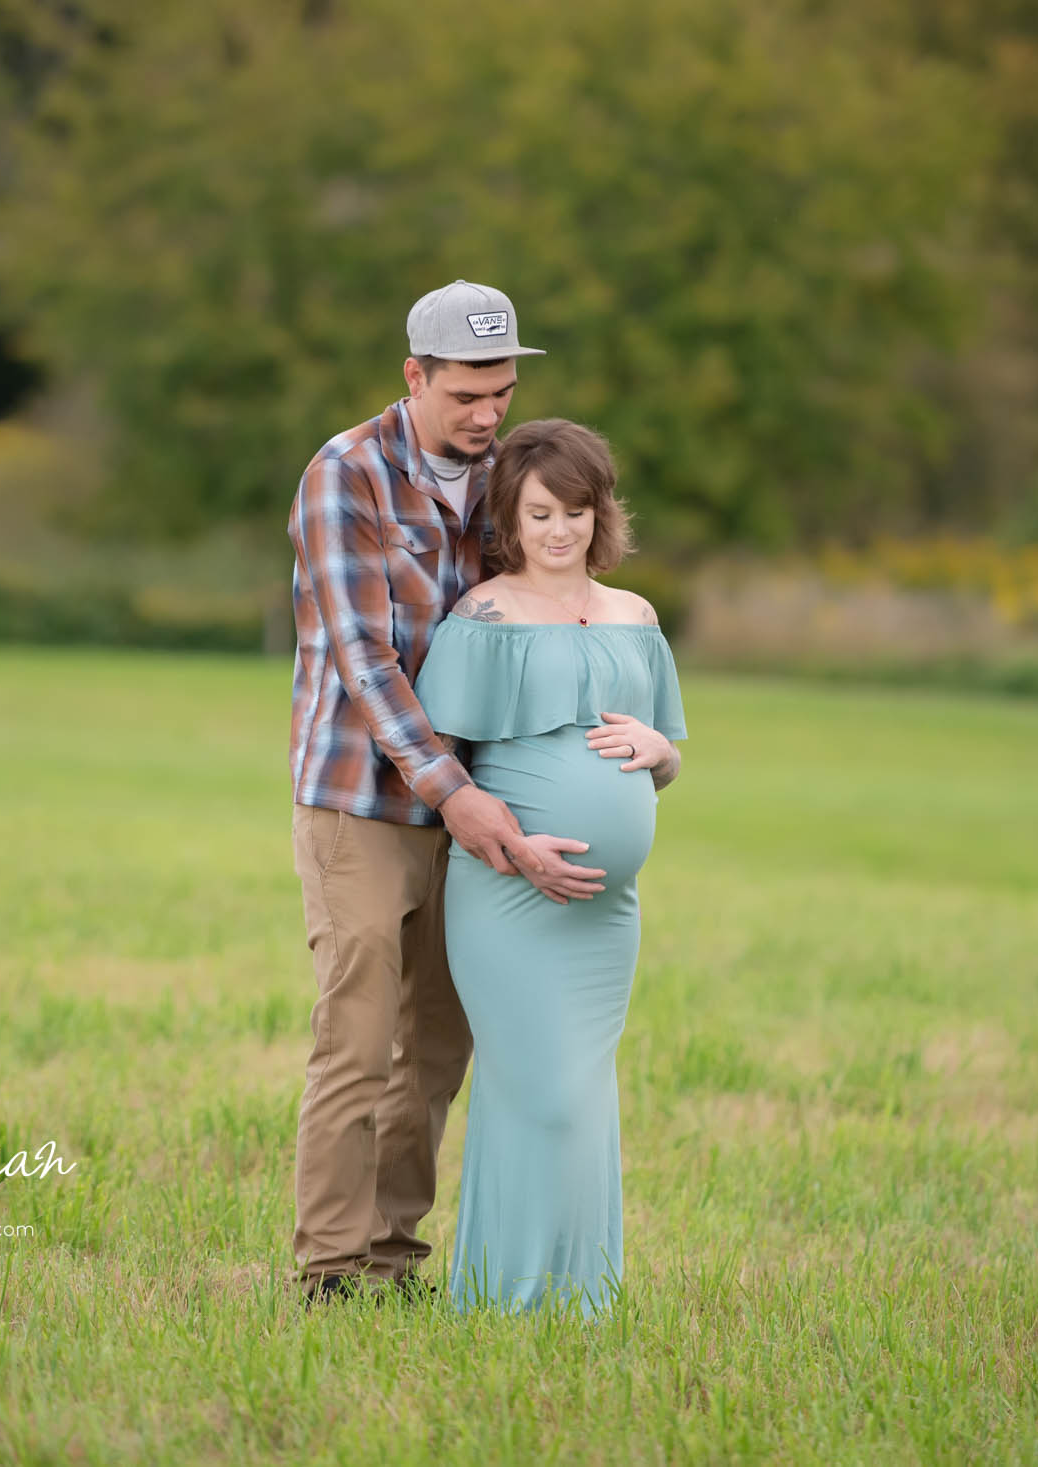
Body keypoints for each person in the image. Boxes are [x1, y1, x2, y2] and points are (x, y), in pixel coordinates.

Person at [286, 282, 673, 1304]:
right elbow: (365, 661)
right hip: (363, 801)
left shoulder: (499, 476)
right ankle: (329, 1270)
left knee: (437, 1049)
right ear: (413, 376)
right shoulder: (345, 475)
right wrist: (457, 794)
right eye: (464, 394)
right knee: (360, 1037)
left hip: (475, 815)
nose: (485, 413)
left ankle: (391, 1258)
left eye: (500, 392)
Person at [413, 418, 688, 1316]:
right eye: (540, 513)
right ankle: (504, 1296)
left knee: (584, 1097)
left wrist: (659, 748)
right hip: (507, 894)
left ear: (600, 513)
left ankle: (579, 1299)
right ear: (512, 518)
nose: (560, 529)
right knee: (535, 1090)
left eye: (575, 510)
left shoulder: (636, 617)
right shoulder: (483, 616)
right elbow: (440, 768)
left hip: (606, 915)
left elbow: (669, 760)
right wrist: (515, 848)